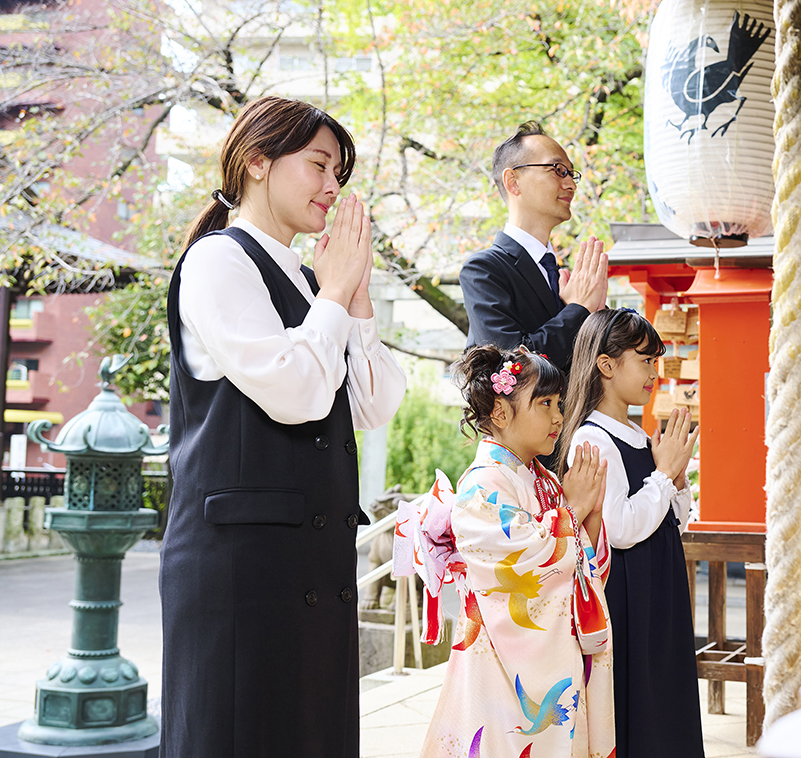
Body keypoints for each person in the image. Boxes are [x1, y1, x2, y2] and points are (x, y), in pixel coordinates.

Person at [160, 96, 406, 758]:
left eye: (340, 175)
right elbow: (295, 393)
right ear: (258, 161)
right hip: (239, 577)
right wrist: (331, 296)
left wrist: (352, 301)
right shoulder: (220, 261)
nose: (332, 187)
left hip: (308, 571)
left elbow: (374, 405)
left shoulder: (310, 279)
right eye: (320, 166)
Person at [418, 346, 615, 758]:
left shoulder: (541, 479)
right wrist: (574, 510)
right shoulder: (482, 485)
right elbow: (522, 564)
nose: (558, 417)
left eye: (559, 403)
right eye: (544, 403)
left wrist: (590, 515)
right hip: (497, 659)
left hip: (543, 656)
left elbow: (579, 560)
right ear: (501, 414)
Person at [559, 308, 704, 758]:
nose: (653, 374)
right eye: (645, 361)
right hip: (631, 591)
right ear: (606, 365)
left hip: (658, 582)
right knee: (641, 702)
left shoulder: (636, 433)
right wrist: (664, 475)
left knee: (666, 692)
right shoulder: (593, 438)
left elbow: (672, 517)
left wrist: (675, 479)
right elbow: (619, 528)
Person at [460, 121, 609, 373]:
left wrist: (599, 317)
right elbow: (512, 365)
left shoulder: (564, 278)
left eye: (571, 174)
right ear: (513, 181)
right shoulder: (484, 271)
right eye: (557, 170)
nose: (570, 185)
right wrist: (578, 309)